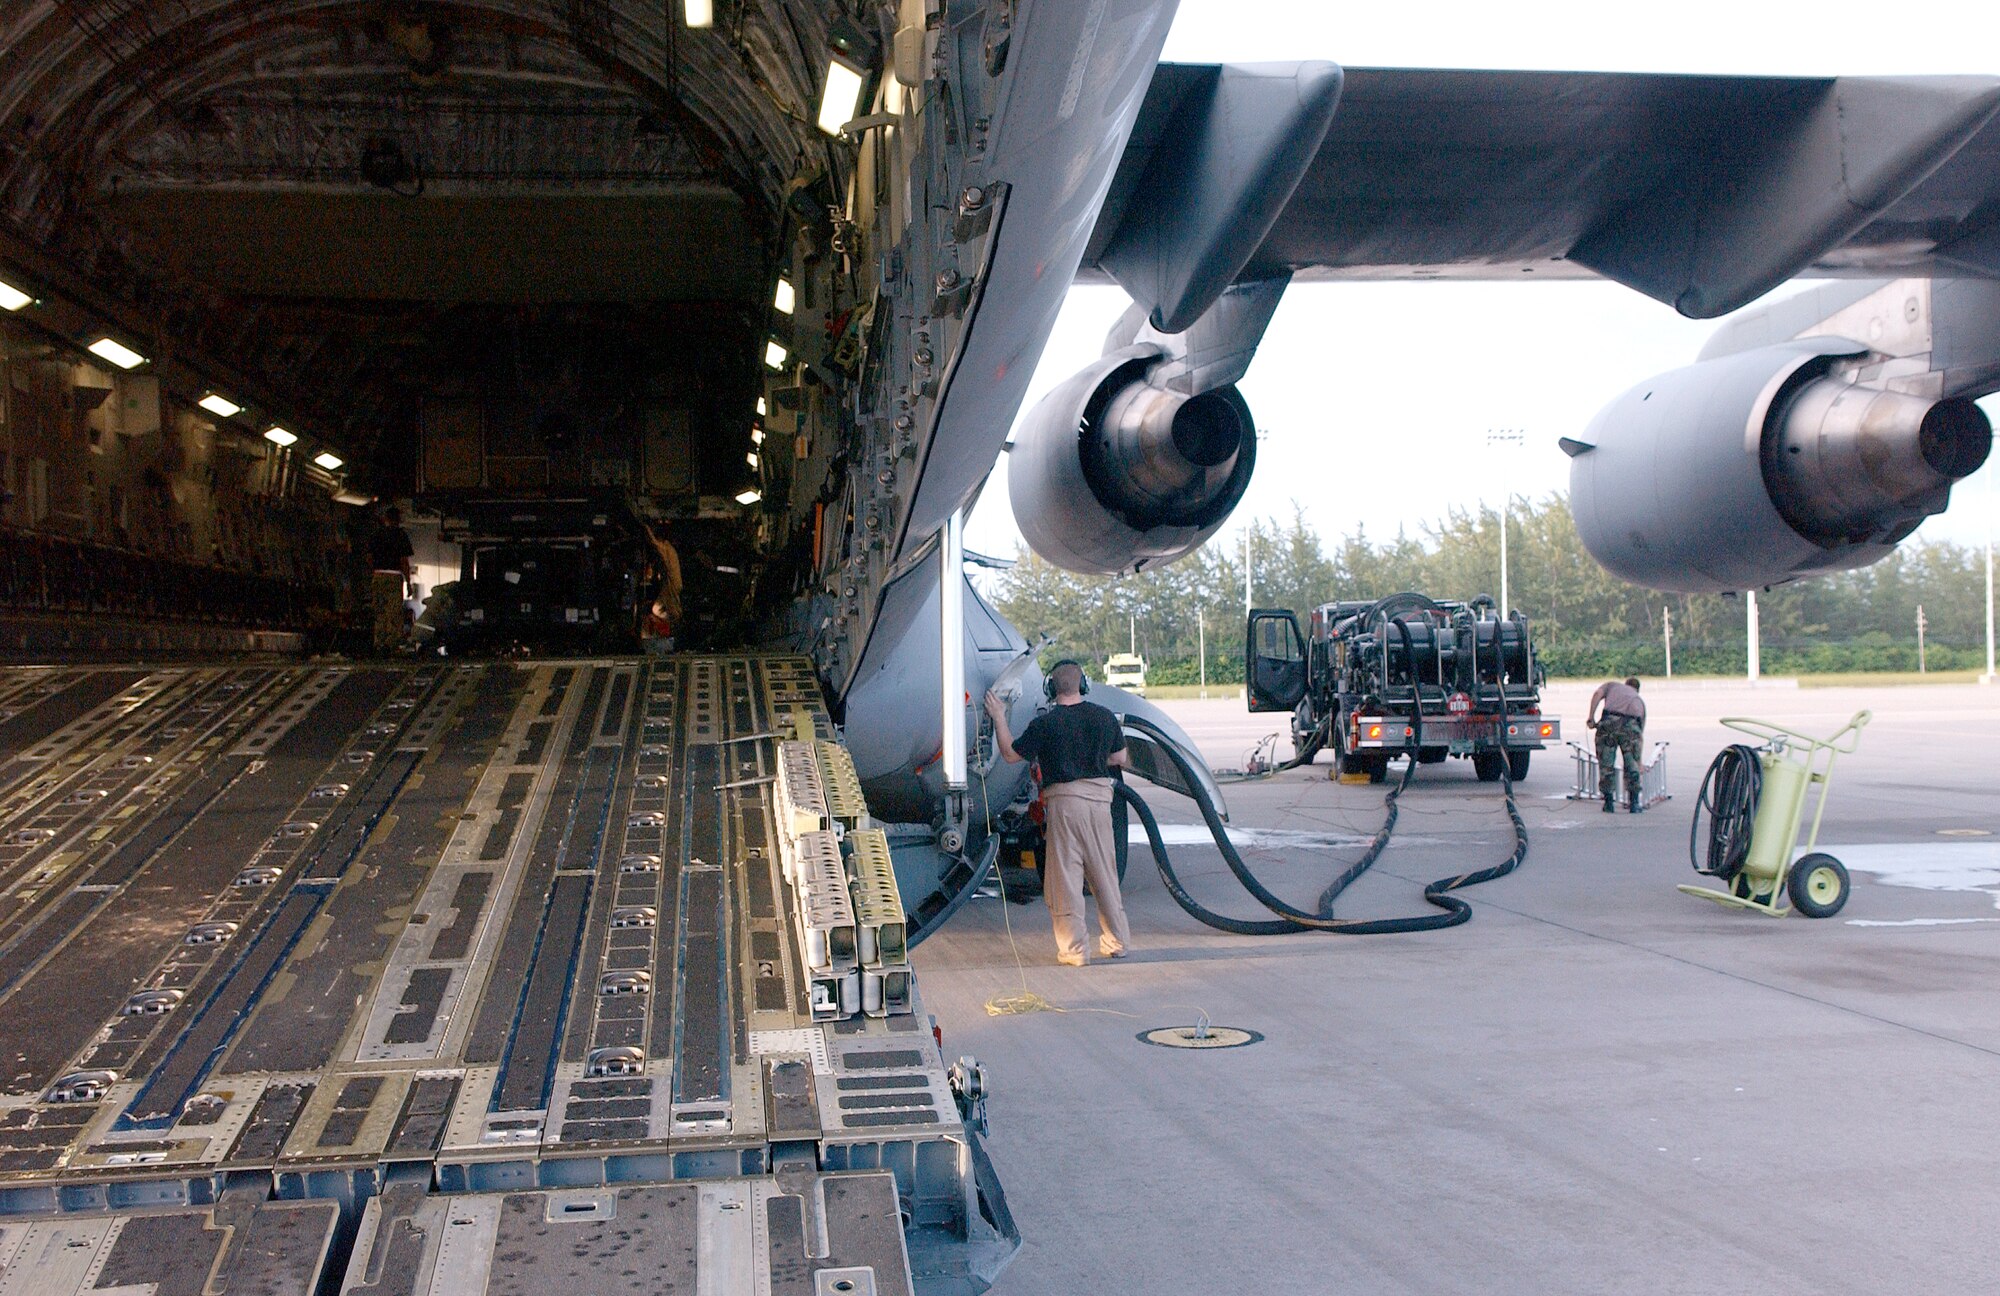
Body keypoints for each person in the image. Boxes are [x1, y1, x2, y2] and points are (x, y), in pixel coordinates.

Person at [983, 662, 1132, 966]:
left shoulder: (1045, 725)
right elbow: (1120, 758)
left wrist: (999, 716)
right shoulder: (1104, 717)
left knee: (1065, 878)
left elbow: (1011, 754)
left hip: (1065, 805)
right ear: (1084, 685)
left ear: (1051, 689)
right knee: (1104, 875)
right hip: (1100, 803)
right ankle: (1117, 942)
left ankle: (1075, 951)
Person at [1587, 675, 1647, 814]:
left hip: (1609, 722)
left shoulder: (1612, 685)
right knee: (1631, 764)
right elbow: (1640, 733)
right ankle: (1634, 803)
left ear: (1625, 684)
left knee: (1606, 764)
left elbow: (1597, 694)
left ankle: (1608, 802)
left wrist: (1591, 717)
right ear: (1637, 689)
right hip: (1631, 724)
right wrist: (1639, 762)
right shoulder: (1639, 700)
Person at [366, 506, 414, 655]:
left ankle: (379, 643)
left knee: (380, 611)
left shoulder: (376, 534)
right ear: (398, 520)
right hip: (394, 576)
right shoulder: (401, 535)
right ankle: (392, 645)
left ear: (385, 518)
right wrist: (408, 582)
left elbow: (368, 557)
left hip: (378, 575)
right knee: (393, 612)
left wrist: (374, 571)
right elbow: (403, 561)